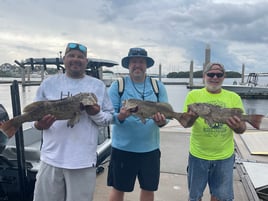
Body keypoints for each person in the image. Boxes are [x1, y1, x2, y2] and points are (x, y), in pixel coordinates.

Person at [32, 42, 114, 201]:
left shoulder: (97, 86)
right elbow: (34, 118)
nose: (75, 59)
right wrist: (39, 125)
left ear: (86, 61)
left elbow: (109, 118)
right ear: (64, 59)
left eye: (80, 57)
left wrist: (95, 114)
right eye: (71, 55)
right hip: (50, 159)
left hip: (82, 162)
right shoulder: (48, 83)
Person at [107, 47, 169, 201]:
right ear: (128, 65)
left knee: (148, 189)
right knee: (118, 188)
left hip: (150, 149)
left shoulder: (157, 86)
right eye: (134, 62)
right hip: (122, 149)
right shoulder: (118, 86)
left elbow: (166, 115)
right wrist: (120, 116)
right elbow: (108, 116)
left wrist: (162, 121)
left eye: (141, 62)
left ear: (146, 65)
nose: (137, 65)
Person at [183, 62, 247, 201]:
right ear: (204, 76)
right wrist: (191, 118)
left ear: (224, 77)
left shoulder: (234, 97)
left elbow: (242, 129)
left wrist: (236, 126)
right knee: (195, 196)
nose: (215, 77)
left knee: (221, 197)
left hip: (224, 157)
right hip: (198, 155)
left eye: (219, 74)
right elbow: (186, 124)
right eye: (211, 74)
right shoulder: (193, 96)